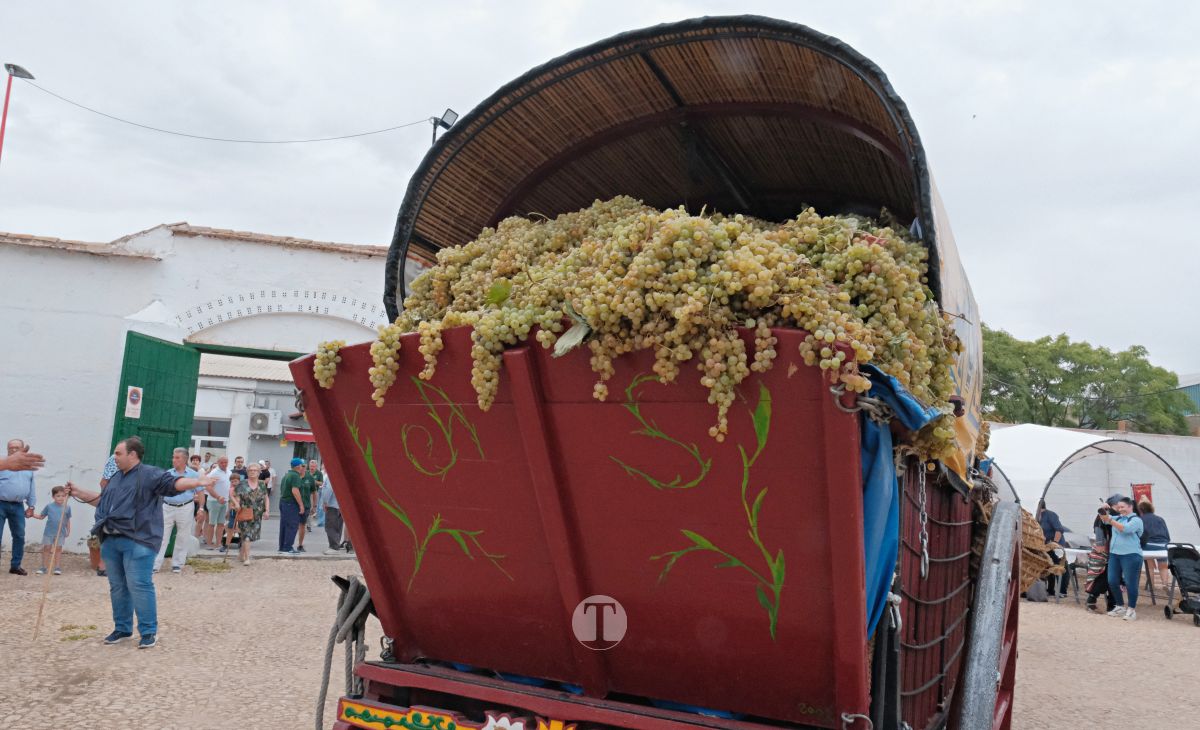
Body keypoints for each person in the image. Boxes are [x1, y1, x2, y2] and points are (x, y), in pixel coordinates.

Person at [65, 436, 215, 649]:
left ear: (132, 454)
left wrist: (198, 482)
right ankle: (122, 628)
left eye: (118, 453)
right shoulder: (116, 477)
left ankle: (148, 632)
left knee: (139, 585)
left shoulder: (150, 474)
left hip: (138, 540)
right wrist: (79, 492)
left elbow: (173, 484)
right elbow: (103, 502)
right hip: (111, 541)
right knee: (117, 587)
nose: (114, 458)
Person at [154, 448, 213, 574]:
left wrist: (201, 509)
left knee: (183, 536)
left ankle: (177, 564)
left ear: (185, 459)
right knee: (162, 536)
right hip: (167, 507)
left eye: (177, 458)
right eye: (173, 457)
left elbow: (200, 492)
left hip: (185, 507)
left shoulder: (194, 475)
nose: (173, 460)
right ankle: (155, 564)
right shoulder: (168, 473)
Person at [1101, 496, 1144, 621]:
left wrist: (1110, 520)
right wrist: (1103, 510)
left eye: (1122, 507)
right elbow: (1104, 519)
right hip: (1115, 555)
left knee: (1131, 583)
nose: (1120, 509)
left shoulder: (1136, 520)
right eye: (1118, 507)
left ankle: (1131, 610)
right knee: (1112, 581)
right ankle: (1120, 606)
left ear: (1130, 507)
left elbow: (1125, 529)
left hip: (1131, 555)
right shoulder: (1118, 518)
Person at [0, 438, 38, 575]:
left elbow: (31, 487)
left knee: (19, 536)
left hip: (18, 507)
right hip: (1, 504)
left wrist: (31, 506)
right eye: (11, 448)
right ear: (7, 450)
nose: (14, 450)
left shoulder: (28, 468)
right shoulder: (2, 465)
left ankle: (15, 566)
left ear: (23, 449)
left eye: (17, 447)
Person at [231, 463, 269, 566]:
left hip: (257, 514)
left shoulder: (262, 484)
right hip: (245, 512)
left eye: (255, 470)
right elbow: (232, 495)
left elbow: (266, 497)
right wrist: (236, 503)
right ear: (247, 472)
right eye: (250, 470)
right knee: (246, 535)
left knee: (249, 536)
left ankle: (241, 554)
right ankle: (247, 558)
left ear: (259, 472)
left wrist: (267, 510)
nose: (252, 472)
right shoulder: (242, 484)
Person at [32, 485, 71, 575]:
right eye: (58, 496)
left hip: (60, 533)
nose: (61, 498)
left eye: (63, 496)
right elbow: (41, 517)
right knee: (46, 548)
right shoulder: (49, 506)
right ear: (53, 497)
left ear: (65, 496)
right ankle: (43, 567)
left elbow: (68, 519)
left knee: (58, 549)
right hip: (49, 532)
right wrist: (32, 515)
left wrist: (68, 530)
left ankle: (57, 568)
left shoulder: (67, 507)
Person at [1037, 499, 1070, 598]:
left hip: (1056, 546)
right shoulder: (1037, 516)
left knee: (1060, 566)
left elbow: (1059, 530)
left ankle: (1062, 591)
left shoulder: (1051, 515)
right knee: (1048, 567)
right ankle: (1050, 590)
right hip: (1045, 546)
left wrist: (1055, 543)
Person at [1137, 500, 1171, 588]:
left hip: (1148, 545)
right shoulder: (1160, 519)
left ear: (1140, 510)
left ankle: (1151, 586)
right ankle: (1165, 584)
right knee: (1163, 566)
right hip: (1163, 545)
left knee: (1149, 565)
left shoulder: (1140, 520)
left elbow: (1140, 536)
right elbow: (1167, 535)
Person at [278, 458, 306, 554]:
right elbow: (295, 490)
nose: (303, 468)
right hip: (291, 503)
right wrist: (301, 505)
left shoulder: (287, 475)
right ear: (298, 466)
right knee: (292, 525)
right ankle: (288, 547)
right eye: (303, 466)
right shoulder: (295, 476)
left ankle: (282, 547)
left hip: (283, 502)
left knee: (284, 525)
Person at [205, 455, 232, 551]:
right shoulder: (214, 473)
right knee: (212, 523)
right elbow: (208, 487)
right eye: (222, 462)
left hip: (225, 501)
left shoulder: (229, 471)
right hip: (213, 501)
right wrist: (218, 497)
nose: (224, 464)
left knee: (221, 524)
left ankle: (218, 543)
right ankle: (209, 544)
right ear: (218, 462)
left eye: (226, 462)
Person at [296, 459, 318, 553]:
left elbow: (314, 492)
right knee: (292, 525)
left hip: (306, 505)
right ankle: (287, 544)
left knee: (302, 525)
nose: (302, 468)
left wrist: (314, 506)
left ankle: (300, 545)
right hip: (293, 505)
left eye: (304, 466)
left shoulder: (310, 478)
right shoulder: (293, 476)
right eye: (300, 466)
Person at [320, 474, 345, 554]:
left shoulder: (331, 475)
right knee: (338, 526)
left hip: (332, 504)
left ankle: (334, 547)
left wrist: (325, 502)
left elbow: (329, 489)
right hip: (340, 504)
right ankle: (336, 545)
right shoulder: (340, 475)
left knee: (330, 526)